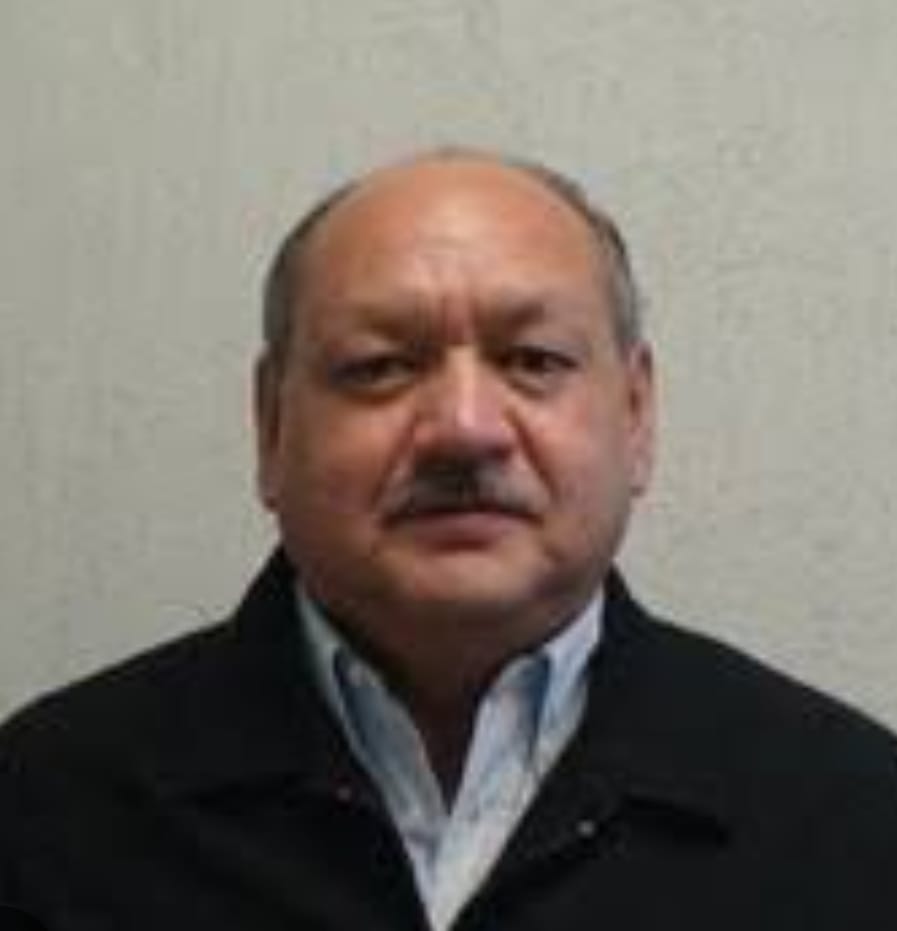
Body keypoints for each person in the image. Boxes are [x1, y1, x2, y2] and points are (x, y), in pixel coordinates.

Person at [1, 149, 896, 931]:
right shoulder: (46, 809)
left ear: (635, 415)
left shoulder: (847, 813)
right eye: (380, 366)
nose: (464, 429)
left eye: (533, 360)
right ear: (271, 427)